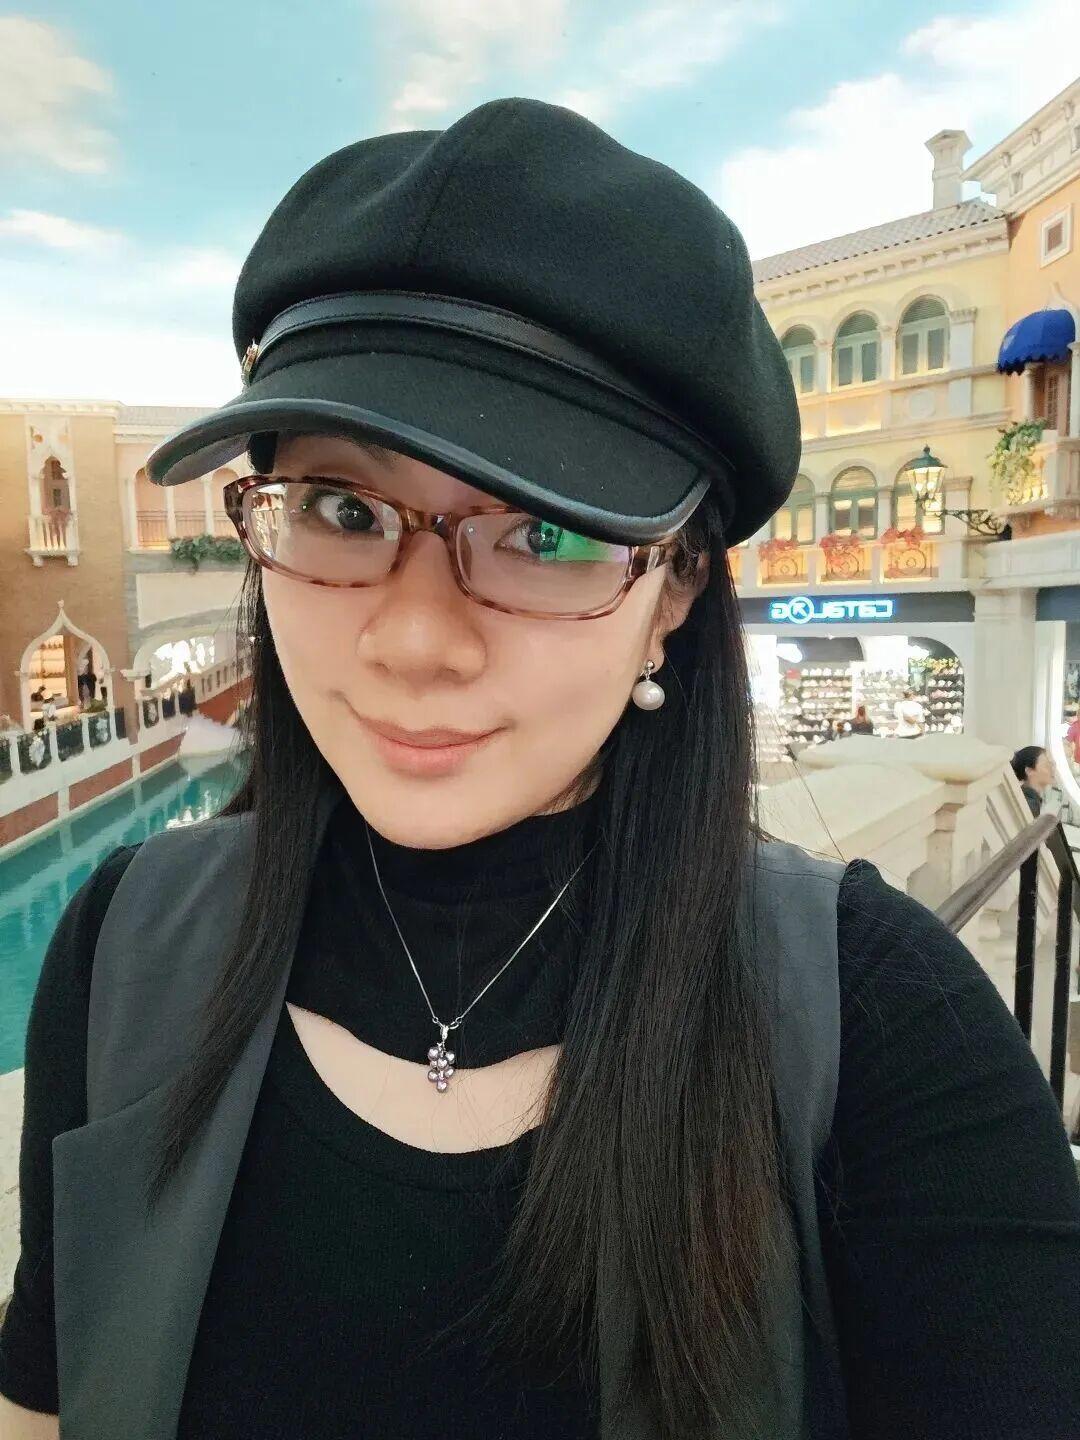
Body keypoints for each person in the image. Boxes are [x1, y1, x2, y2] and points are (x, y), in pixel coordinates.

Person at [1, 99, 1077, 1440]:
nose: (413, 640)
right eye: (342, 509)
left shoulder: (889, 1037)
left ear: (675, 588)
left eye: (545, 534)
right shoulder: (123, 953)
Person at [1010, 745, 1055, 817]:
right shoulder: (1029, 806)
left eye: (1051, 764)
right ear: (1029, 771)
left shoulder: (1029, 798)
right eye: (1046, 765)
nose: (1052, 769)